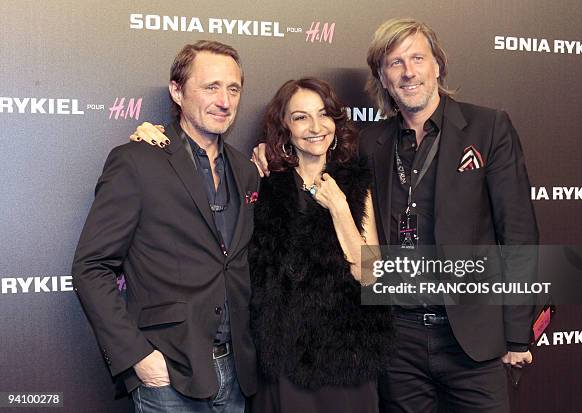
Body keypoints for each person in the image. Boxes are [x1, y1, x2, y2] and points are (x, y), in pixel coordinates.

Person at [252, 18, 538, 413]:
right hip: (397, 340)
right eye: (395, 63)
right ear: (383, 79)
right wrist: (268, 161)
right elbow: (313, 165)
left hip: (472, 338)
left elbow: (519, 234)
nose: (408, 72)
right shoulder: (371, 142)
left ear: (437, 65)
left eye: (417, 58)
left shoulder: (488, 128)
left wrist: (518, 335)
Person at [131, 77, 395, 413]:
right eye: (300, 117)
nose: (316, 127)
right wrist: (153, 137)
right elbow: (191, 173)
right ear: (284, 127)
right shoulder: (260, 179)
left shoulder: (358, 183)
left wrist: (340, 208)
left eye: (324, 114)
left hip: (347, 357)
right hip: (282, 359)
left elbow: (372, 276)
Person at [72, 40, 259, 413]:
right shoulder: (137, 161)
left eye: (233, 88)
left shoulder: (246, 170)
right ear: (177, 90)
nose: (225, 100)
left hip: (236, 372)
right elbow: (91, 267)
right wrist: (137, 356)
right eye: (211, 87)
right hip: (168, 373)